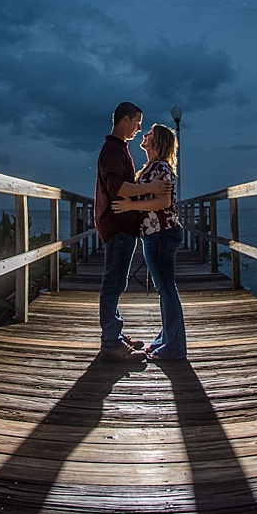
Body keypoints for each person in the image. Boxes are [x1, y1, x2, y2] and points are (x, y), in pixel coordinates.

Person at [94, 102, 171, 362]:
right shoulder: (113, 150)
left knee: (117, 282)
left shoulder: (118, 149)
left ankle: (114, 333)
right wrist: (149, 191)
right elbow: (116, 187)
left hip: (121, 224)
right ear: (125, 120)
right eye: (137, 122)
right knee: (114, 282)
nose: (139, 128)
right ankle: (111, 342)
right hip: (117, 224)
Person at [111, 123, 186, 361]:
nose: (144, 135)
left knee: (167, 290)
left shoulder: (161, 167)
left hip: (162, 232)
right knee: (165, 289)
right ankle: (166, 339)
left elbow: (163, 202)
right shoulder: (152, 168)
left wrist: (131, 205)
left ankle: (174, 348)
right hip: (155, 233)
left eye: (150, 134)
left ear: (158, 142)